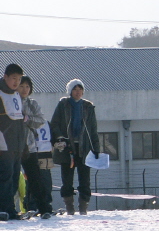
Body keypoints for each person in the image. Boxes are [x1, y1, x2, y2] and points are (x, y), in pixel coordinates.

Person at [50, 79, 100, 215]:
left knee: (85, 180)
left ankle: (83, 208)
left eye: (80, 89)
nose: (78, 92)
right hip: (67, 148)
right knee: (67, 180)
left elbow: (93, 129)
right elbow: (54, 124)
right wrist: (60, 138)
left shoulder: (88, 107)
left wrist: (96, 148)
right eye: (75, 89)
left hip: (85, 148)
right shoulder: (63, 105)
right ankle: (70, 208)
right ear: (70, 91)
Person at [18, 76, 54, 218]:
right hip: (11, 147)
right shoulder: (9, 102)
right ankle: (8, 208)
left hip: (30, 147)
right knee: (10, 178)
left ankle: (44, 208)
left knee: (35, 179)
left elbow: (40, 121)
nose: (25, 89)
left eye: (27, 86)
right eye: (22, 86)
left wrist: (28, 119)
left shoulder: (32, 104)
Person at [0, 63, 27, 220]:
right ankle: (3, 207)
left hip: (16, 143)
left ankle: (10, 208)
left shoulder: (17, 95)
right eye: (14, 78)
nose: (16, 82)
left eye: (19, 79)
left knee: (14, 176)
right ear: (5, 77)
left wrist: (23, 145)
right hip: (3, 142)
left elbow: (19, 120)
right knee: (5, 175)